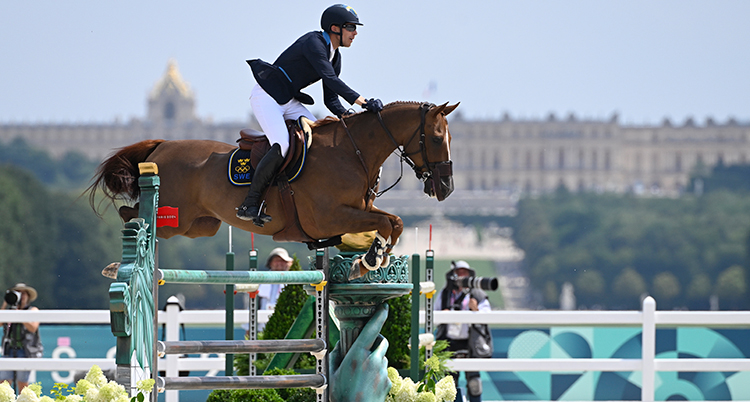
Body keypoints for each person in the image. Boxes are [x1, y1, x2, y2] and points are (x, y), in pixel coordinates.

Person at [236, 4, 384, 225]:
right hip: (267, 97)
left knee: (321, 141)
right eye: (351, 27)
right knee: (283, 145)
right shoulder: (314, 43)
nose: (355, 33)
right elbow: (331, 79)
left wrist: (351, 120)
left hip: (289, 101)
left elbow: (330, 99)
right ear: (335, 28)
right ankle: (250, 203)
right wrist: (363, 102)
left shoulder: (336, 57)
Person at [434, 261, 491, 402]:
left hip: (471, 341)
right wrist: (443, 314)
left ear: (469, 275)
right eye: (458, 272)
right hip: (449, 341)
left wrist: (475, 310)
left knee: (474, 382)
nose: (461, 276)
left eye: (464, 272)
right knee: (449, 383)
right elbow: (433, 315)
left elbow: (488, 315)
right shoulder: (445, 293)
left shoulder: (477, 293)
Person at [0, 283, 42, 392]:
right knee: (3, 384)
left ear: (28, 296)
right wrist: (6, 304)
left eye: (23, 293)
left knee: (22, 384)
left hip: (25, 350)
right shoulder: (9, 311)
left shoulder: (32, 310)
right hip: (9, 349)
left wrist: (19, 314)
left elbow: (33, 327)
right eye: (18, 293)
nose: (21, 296)